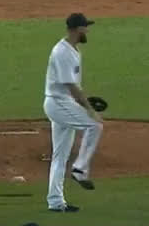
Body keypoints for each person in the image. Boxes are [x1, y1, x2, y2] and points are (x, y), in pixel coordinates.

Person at [43, 12, 102, 213]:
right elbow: (70, 86)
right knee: (95, 125)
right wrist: (89, 109)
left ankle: (55, 202)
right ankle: (80, 170)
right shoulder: (62, 52)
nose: (88, 31)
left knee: (60, 156)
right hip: (58, 104)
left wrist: (84, 102)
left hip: (63, 102)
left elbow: (72, 87)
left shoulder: (72, 50)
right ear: (77, 29)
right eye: (85, 27)